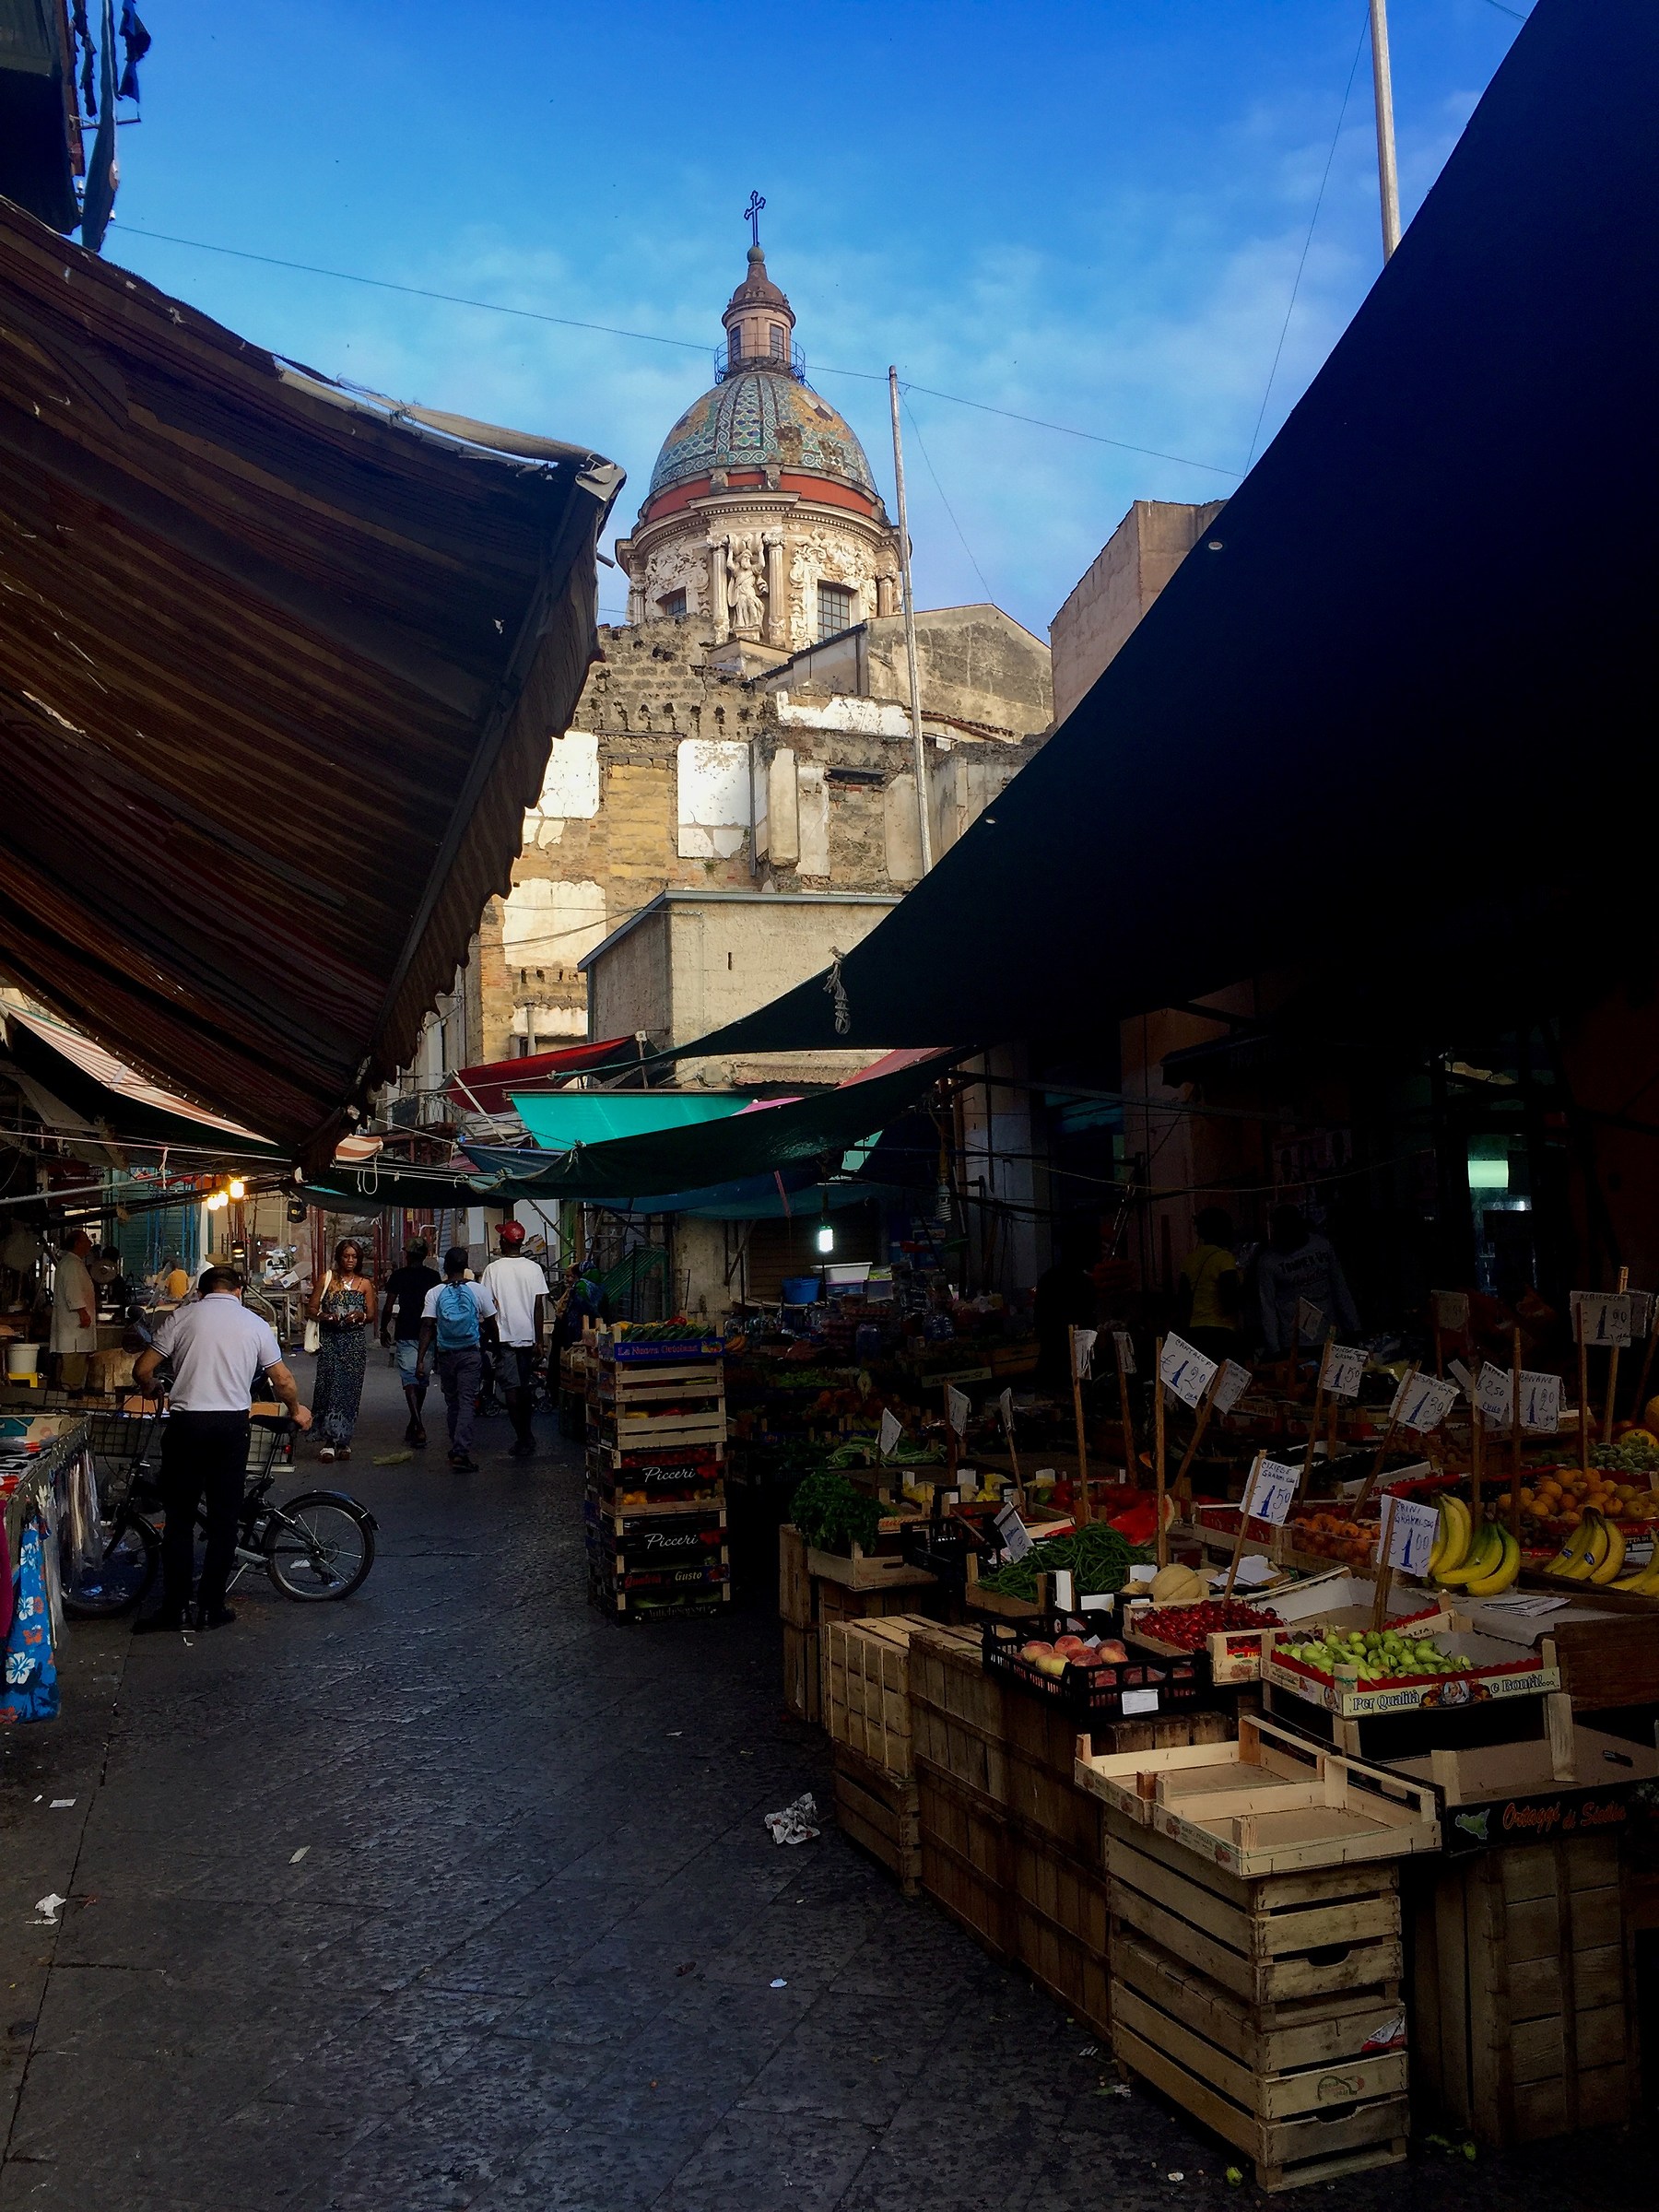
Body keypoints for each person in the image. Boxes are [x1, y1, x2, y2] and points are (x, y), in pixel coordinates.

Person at [132, 1265, 312, 1630]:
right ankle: (212, 1607)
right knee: (223, 1520)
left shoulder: (182, 1317)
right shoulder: (255, 1324)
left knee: (179, 1521)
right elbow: (282, 1380)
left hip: (186, 1427)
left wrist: (152, 1387)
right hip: (231, 1428)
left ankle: (176, 1609)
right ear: (240, 1290)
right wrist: (297, 1411)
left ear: (200, 1292)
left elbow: (142, 1368)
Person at [416, 1246, 498, 1472]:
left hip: (446, 1354)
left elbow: (427, 1326)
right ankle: (461, 1452)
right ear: (466, 1266)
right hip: (470, 1353)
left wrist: (421, 1359)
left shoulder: (435, 1292)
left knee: (453, 1403)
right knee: (467, 1403)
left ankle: (456, 1446)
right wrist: (495, 1348)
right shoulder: (478, 1291)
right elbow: (491, 1323)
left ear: (446, 1267)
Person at [1255, 1205, 1360, 1359]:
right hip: (1294, 1341)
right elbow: (1268, 1307)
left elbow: (1340, 1288)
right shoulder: (1269, 1262)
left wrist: (1354, 1327)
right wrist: (1275, 1349)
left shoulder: (1322, 1246)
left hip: (1329, 1334)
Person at [479, 1221, 547, 1459]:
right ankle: (527, 1435)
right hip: (528, 1338)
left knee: (511, 1389)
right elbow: (538, 1306)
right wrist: (539, 1340)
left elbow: (488, 1307)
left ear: (505, 1242)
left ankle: (523, 1437)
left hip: (504, 1338)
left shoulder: (493, 1270)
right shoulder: (534, 1269)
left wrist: (491, 1338)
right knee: (525, 1388)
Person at [306, 1239, 377, 1462]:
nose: (350, 1261)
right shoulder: (327, 1279)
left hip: (354, 1345)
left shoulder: (365, 1284)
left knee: (349, 1391)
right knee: (330, 1388)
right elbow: (311, 1308)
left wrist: (361, 1316)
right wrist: (324, 1316)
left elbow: (372, 1315)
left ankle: (344, 1439)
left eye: (354, 1257)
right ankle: (329, 1441)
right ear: (339, 1257)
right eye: (346, 1256)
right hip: (331, 1343)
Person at [380, 1239, 441, 1447]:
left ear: (408, 1255)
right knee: (420, 1379)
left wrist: (383, 1328)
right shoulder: (433, 1277)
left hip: (406, 1331)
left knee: (410, 1381)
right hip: (428, 1332)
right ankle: (415, 1423)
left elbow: (388, 1306)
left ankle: (417, 1424)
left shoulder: (399, 1276)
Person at [1177, 1207, 1243, 1365]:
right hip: (1221, 1333)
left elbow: (1184, 1302)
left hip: (1195, 1333)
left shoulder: (1190, 1259)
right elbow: (1230, 1301)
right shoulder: (1224, 1258)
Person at [1033, 1233, 1099, 1390]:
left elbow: (1039, 1320)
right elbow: (1090, 1321)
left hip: (1051, 1362)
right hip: (1071, 1363)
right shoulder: (1083, 1283)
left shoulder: (1047, 1278)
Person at [50, 1229, 98, 1389]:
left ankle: (72, 1393)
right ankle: (69, 1398)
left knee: (76, 1367)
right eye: (86, 1241)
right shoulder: (71, 1264)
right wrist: (82, 1313)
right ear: (77, 1244)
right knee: (72, 1368)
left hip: (75, 1329)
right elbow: (73, 1292)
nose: (90, 1244)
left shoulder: (74, 1263)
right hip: (74, 1328)